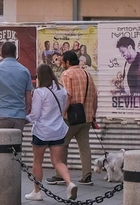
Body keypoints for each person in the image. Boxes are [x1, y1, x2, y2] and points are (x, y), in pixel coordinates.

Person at [28, 65, 76, 201]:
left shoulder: (40, 92)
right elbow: (63, 107)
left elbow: (35, 114)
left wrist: (25, 119)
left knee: (38, 161)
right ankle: (70, 183)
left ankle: (37, 192)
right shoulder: (62, 90)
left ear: (40, 76)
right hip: (58, 130)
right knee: (57, 161)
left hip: (42, 131)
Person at [53, 50, 95, 184]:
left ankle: (60, 175)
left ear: (67, 62)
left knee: (62, 144)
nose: (62, 64)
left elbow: (68, 95)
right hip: (86, 117)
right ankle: (87, 176)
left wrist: (62, 113)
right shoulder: (87, 74)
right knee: (84, 147)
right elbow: (95, 95)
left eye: (63, 62)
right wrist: (93, 114)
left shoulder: (67, 74)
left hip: (71, 117)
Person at [0, 40, 33, 130]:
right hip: (18, 116)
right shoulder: (24, 71)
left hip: (0, 116)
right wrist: (27, 109)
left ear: (1, 54)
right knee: (16, 139)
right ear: (15, 53)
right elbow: (28, 94)